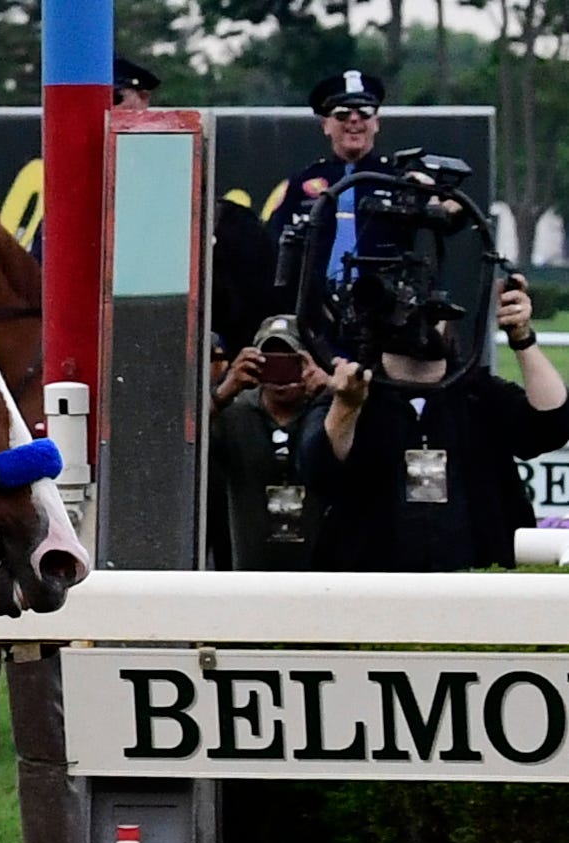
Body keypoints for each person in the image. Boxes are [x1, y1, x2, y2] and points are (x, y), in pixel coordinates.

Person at [299, 277, 569, 571]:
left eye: (432, 315)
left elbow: (551, 425)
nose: (421, 325)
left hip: (478, 584)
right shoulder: (353, 396)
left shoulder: (477, 393)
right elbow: (318, 468)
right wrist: (347, 406)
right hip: (374, 588)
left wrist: (522, 338)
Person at [209, 314, 331, 570]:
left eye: (291, 362)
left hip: (320, 575)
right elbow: (179, 444)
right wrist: (224, 391)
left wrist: (331, 392)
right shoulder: (235, 412)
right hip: (250, 574)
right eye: (269, 363)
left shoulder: (327, 413)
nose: (280, 376)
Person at [265, 70, 393, 291]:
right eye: (342, 114)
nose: (354, 120)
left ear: (376, 123)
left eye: (364, 113)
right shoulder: (303, 182)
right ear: (326, 125)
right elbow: (272, 239)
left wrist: (447, 205)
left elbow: (447, 220)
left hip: (383, 304)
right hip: (314, 305)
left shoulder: (396, 178)